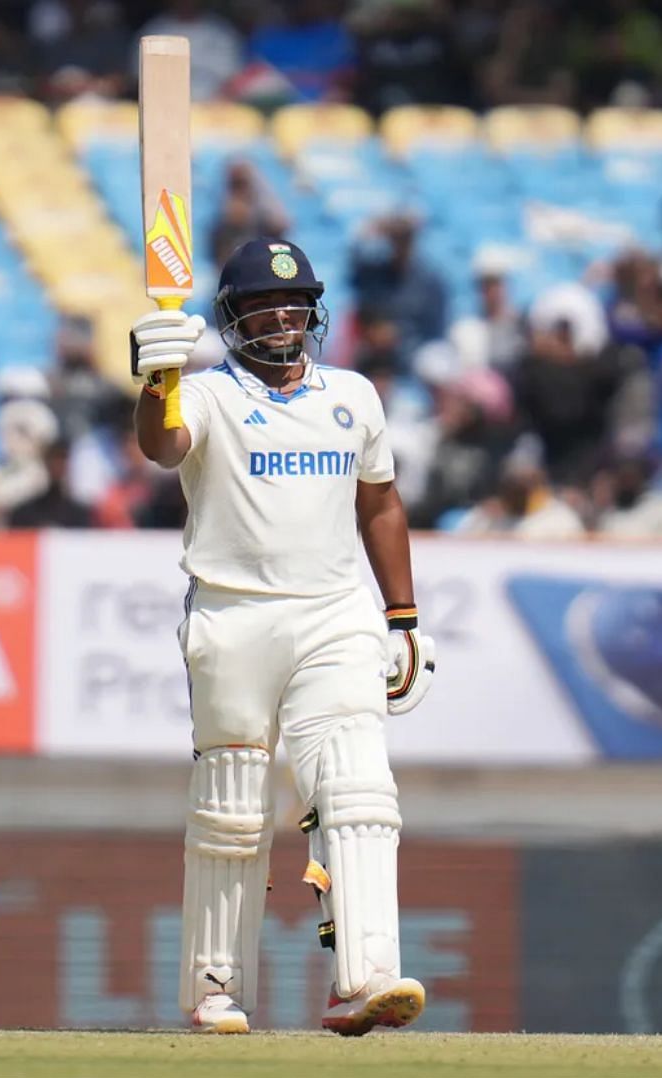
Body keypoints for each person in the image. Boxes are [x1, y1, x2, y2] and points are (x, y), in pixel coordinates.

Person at [130, 238, 435, 1035]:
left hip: (337, 613)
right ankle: (216, 991)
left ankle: (366, 979)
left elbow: (381, 503)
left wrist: (402, 616)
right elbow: (161, 448)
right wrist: (155, 378)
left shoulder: (354, 394)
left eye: (294, 303)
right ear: (232, 316)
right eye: (263, 303)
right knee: (233, 806)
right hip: (234, 616)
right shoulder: (204, 394)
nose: (281, 316)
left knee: (358, 785)